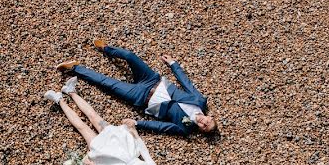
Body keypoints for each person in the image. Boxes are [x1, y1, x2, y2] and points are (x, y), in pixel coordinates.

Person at [44, 78, 168, 165]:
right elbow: (145, 152)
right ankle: (71, 91)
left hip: (109, 156)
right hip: (122, 143)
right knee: (94, 116)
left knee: (82, 128)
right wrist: (135, 134)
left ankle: (59, 100)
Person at [56, 40, 216, 137]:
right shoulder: (200, 101)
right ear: (209, 117)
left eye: (204, 127)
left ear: (201, 131)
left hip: (140, 97)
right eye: (207, 121)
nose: (203, 122)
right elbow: (186, 83)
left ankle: (75, 68)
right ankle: (106, 49)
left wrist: (137, 123)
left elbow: (161, 127)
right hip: (153, 79)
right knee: (130, 56)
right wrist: (174, 64)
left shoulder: (184, 128)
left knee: (107, 84)